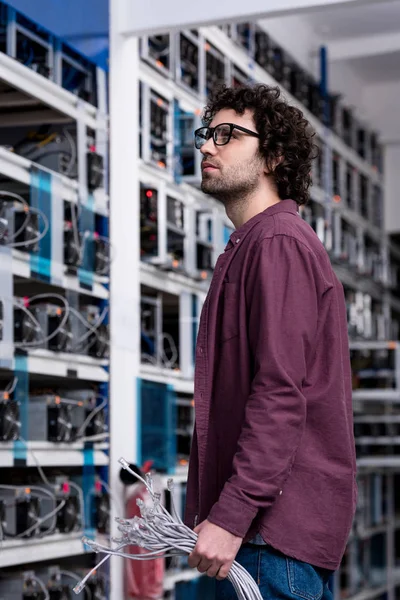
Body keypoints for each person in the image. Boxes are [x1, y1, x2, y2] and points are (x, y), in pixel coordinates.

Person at [184, 84, 357, 600]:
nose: (208, 147)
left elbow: (281, 395)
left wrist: (233, 514)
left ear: (273, 156)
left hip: (267, 541)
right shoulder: (253, 245)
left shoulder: (277, 243)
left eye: (228, 135)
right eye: (207, 135)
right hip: (255, 541)